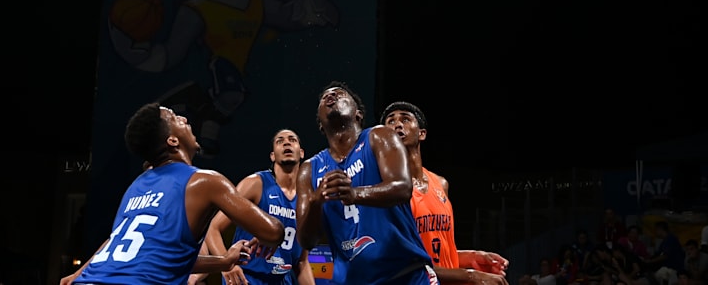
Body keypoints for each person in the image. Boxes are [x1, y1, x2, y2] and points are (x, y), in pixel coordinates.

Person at [62, 103, 285, 285]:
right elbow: (273, 231)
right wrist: (269, 236)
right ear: (172, 141)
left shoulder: (136, 186)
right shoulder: (205, 181)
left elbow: (137, 250)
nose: (185, 120)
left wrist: (224, 261)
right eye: (176, 118)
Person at [296, 82, 438, 285]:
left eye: (340, 94)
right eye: (325, 96)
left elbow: (402, 188)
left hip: (405, 275)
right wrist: (316, 202)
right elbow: (306, 240)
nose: (331, 96)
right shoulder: (309, 170)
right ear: (320, 123)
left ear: (358, 115)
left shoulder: (379, 136)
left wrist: (354, 194)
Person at [381, 100, 509, 284]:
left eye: (405, 119)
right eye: (390, 121)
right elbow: (406, 263)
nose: (397, 124)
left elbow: (439, 251)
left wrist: (473, 257)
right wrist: (471, 276)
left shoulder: (440, 183)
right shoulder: (388, 189)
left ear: (422, 134)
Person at [204, 128, 316, 285]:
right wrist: (226, 264)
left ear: (302, 153)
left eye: (292, 140)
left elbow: (302, 262)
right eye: (280, 141)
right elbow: (212, 227)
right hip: (246, 277)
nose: (286, 142)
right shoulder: (255, 184)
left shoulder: (307, 199)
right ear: (272, 155)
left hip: (281, 279)